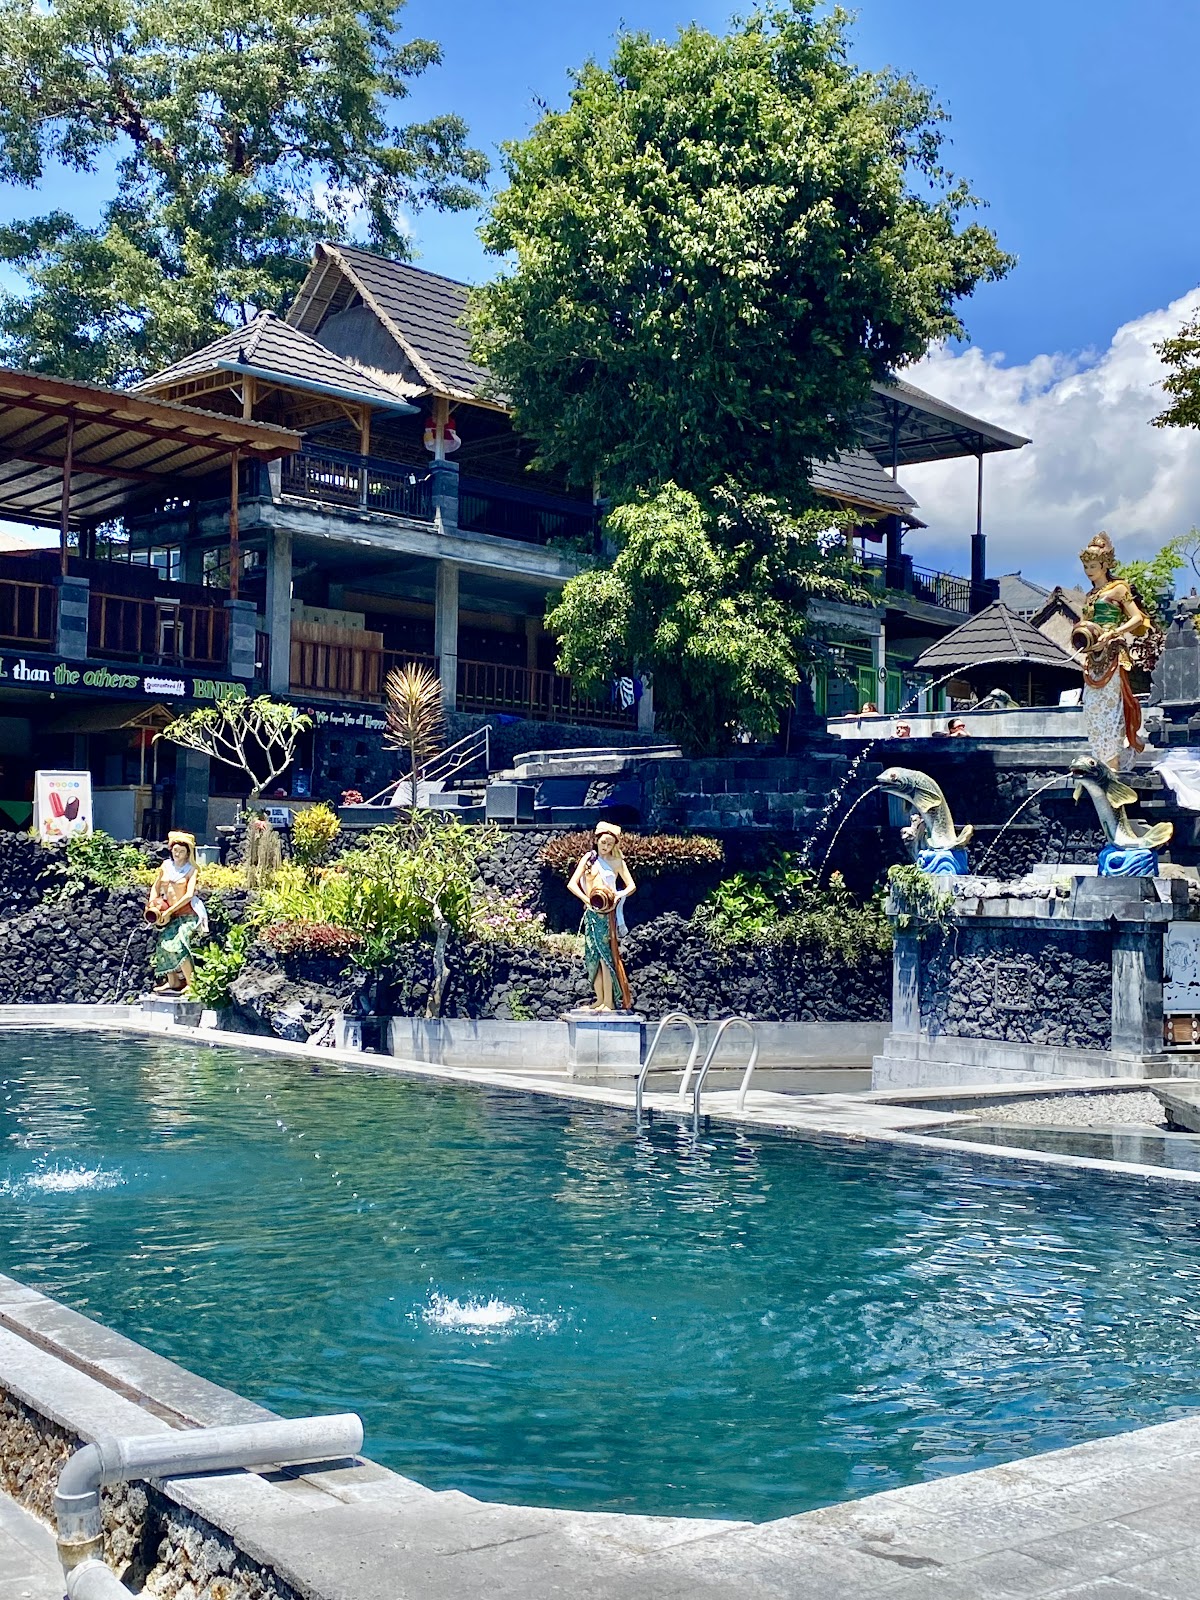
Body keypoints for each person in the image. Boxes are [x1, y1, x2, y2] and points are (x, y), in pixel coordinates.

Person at [1073, 531, 1148, 771]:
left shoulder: (1118, 588)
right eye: (1085, 566)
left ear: (1105, 565)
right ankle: (1100, 760)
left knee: (1111, 709)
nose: (1088, 571)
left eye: (1092, 565)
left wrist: (1115, 632)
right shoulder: (1090, 595)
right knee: (1093, 710)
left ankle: (1112, 763)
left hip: (1113, 653)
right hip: (1093, 655)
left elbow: (1137, 617)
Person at [567, 822, 636, 1011]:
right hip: (591, 913)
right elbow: (572, 883)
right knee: (592, 956)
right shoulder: (589, 859)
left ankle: (609, 1001)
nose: (605, 847)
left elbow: (631, 886)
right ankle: (599, 999)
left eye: (609, 844)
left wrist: (617, 896)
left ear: (614, 845)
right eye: (603, 842)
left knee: (606, 957)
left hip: (607, 915)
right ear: (596, 841)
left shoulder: (617, 862)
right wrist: (586, 899)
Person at [145, 831, 207, 995]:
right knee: (163, 945)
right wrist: (152, 905)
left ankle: (191, 983)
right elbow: (156, 887)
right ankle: (173, 981)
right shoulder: (165, 866)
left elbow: (189, 895)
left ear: (188, 853)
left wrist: (170, 910)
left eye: (181, 851)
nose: (177, 853)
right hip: (169, 915)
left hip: (188, 914)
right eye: (175, 850)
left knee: (179, 945)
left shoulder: (191, 870)